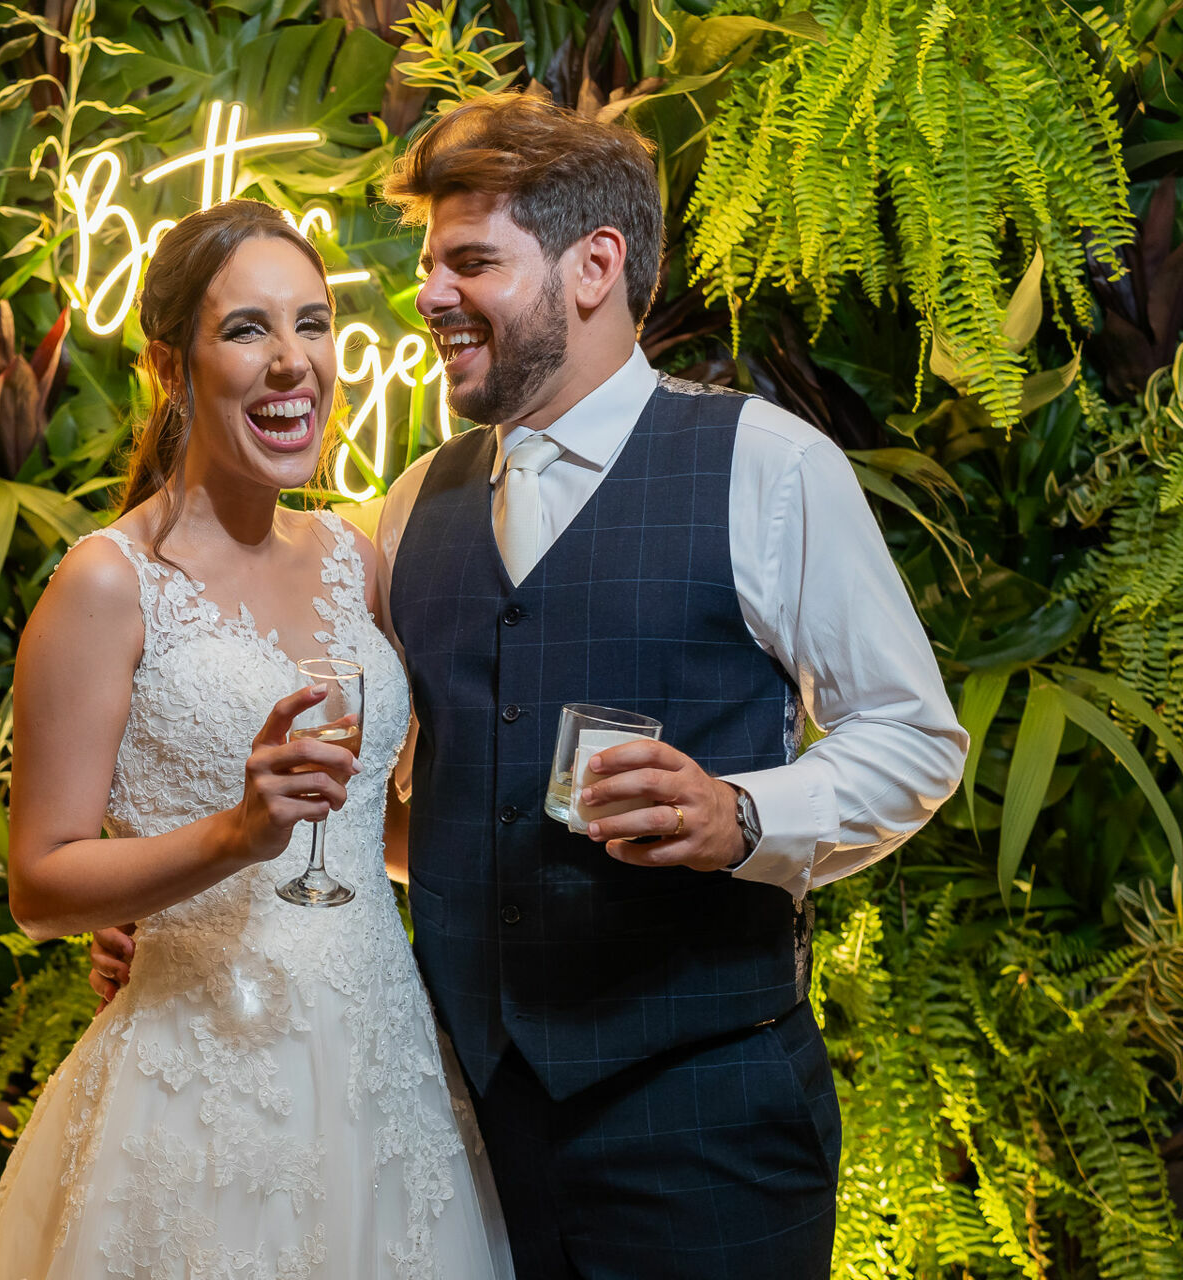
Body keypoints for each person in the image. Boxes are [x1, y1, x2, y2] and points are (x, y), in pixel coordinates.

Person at [94, 94, 968, 1277]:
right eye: (428, 265)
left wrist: (745, 815)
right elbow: (395, 800)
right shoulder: (408, 510)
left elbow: (915, 737)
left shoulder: (766, 466)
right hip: (465, 1131)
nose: (430, 296)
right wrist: (197, 909)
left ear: (594, 265)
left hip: (704, 1130)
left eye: (470, 262)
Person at [0, 198, 512, 1279]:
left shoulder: (360, 558)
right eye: (248, 329)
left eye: (312, 324)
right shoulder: (108, 584)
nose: (291, 362)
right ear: (171, 368)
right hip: (200, 1083)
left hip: (382, 1071)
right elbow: (40, 881)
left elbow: (378, 833)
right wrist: (232, 836)